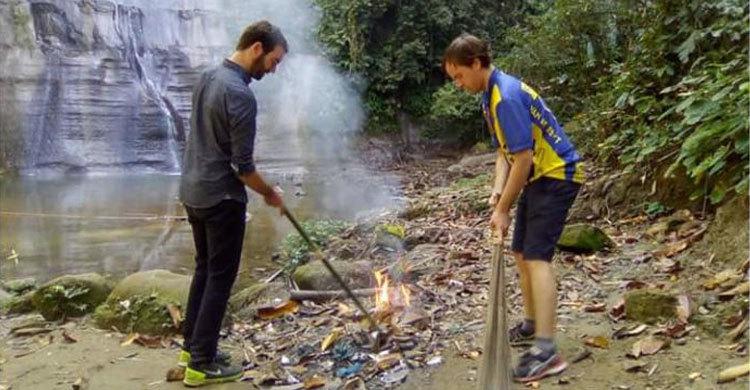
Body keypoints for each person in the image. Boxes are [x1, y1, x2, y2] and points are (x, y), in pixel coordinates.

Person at [442, 33, 583, 382]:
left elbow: (523, 159)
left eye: (459, 76)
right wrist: (496, 191)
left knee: (537, 258)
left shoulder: (505, 97)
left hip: (556, 176)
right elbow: (504, 153)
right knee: (521, 252)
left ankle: (547, 350)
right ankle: (533, 323)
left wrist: (503, 208)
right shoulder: (490, 97)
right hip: (538, 177)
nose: (458, 84)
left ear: (476, 63)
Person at [177, 20, 288, 387]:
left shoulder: (208, 76)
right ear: (257, 48)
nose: (273, 69)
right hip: (221, 197)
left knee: (204, 269)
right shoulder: (240, 94)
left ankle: (192, 346)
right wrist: (269, 193)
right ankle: (202, 363)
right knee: (220, 278)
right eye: (274, 60)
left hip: (193, 191)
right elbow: (243, 169)